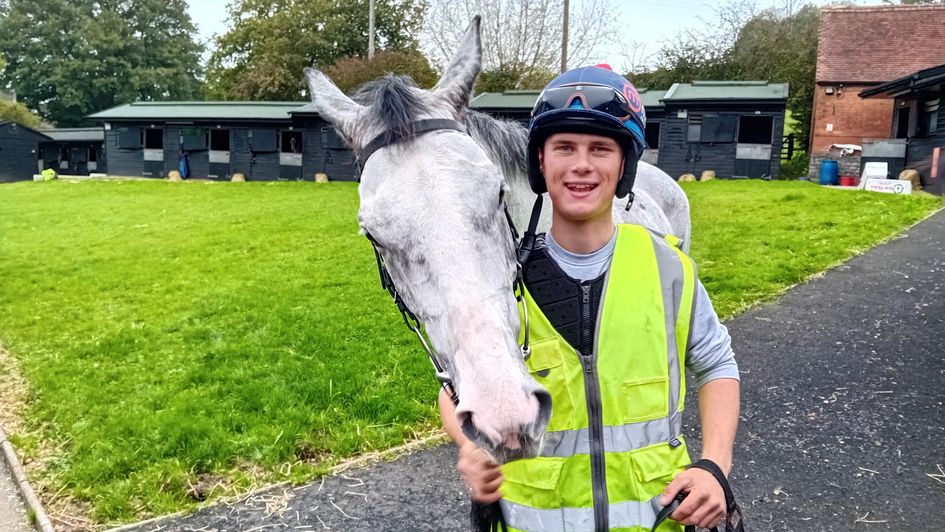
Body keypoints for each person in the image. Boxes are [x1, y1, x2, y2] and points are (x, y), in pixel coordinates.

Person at [438, 64, 741, 532]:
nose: (581, 164)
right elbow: (453, 384)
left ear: (625, 167)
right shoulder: (506, 280)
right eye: (563, 148)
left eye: (600, 148)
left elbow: (717, 363)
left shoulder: (667, 269)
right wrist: (469, 446)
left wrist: (714, 466)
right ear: (540, 163)